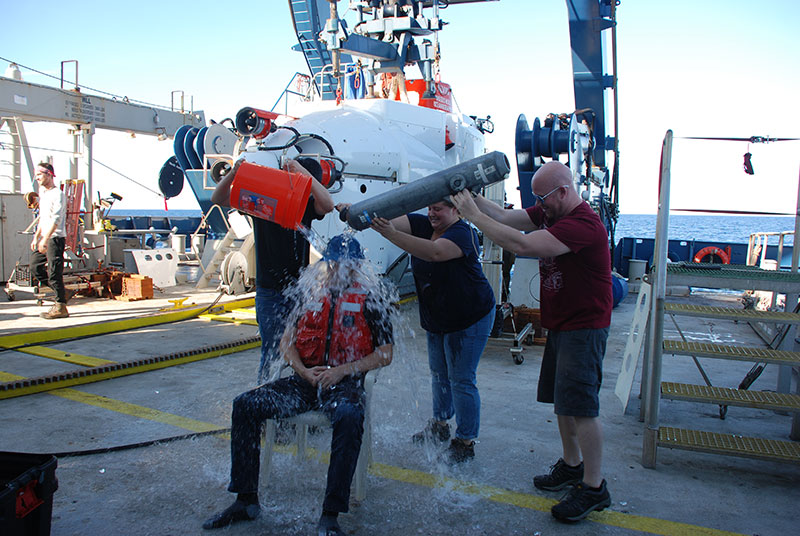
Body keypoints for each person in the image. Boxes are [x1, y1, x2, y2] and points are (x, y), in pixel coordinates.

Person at [451, 161, 613, 523]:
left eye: (543, 197)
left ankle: (594, 486)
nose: (539, 205)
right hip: (562, 324)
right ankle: (572, 466)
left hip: (584, 327)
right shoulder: (550, 209)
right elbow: (507, 218)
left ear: (563, 192)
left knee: (583, 407)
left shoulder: (582, 224)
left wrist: (472, 216)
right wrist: (472, 197)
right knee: (563, 402)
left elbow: (519, 244)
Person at [202, 235, 394, 536]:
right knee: (245, 405)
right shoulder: (309, 294)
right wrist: (303, 371)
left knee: (350, 416)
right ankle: (245, 500)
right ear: (326, 265)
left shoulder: (372, 301)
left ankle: (330, 514)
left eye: (348, 266)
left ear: (358, 267)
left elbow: (385, 354)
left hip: (344, 384)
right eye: (334, 266)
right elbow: (286, 343)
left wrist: (342, 371)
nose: (339, 272)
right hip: (304, 381)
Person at [369, 199, 495, 463]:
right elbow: (392, 220)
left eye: (439, 208)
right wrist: (360, 213)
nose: (431, 213)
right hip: (438, 315)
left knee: (461, 378)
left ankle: (465, 441)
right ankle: (440, 425)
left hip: (469, 316)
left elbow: (433, 253)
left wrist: (392, 234)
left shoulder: (463, 233)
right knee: (439, 374)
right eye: (430, 207)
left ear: (456, 210)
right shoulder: (422, 224)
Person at [211, 158, 335, 381]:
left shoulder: (306, 205)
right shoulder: (262, 201)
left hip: (299, 291)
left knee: (305, 348)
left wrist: (304, 174)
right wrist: (233, 173)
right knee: (271, 351)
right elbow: (217, 198)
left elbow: (327, 204)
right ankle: (265, 395)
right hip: (269, 292)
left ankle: (294, 388)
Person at [30, 162, 69, 319]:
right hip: (44, 238)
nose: (37, 178)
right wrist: (36, 236)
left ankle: (61, 307)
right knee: (35, 267)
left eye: (39, 175)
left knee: (54, 272)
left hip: (55, 238)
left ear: (49, 175)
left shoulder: (57, 194)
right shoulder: (43, 193)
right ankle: (62, 292)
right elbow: (43, 217)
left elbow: (56, 219)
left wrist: (45, 239)